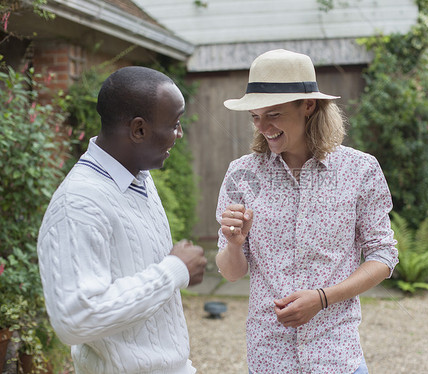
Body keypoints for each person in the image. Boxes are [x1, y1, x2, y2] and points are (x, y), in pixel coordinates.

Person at [215, 49, 399, 373]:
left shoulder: (360, 170)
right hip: (269, 357)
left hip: (337, 356)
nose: (263, 127)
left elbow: (383, 257)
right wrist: (233, 242)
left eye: (273, 114)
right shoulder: (243, 175)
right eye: (255, 117)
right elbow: (231, 273)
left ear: (308, 106)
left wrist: (322, 298)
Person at [37, 66, 207, 374]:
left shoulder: (140, 178)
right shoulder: (77, 204)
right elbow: (75, 320)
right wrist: (174, 270)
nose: (179, 134)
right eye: (175, 124)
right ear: (138, 129)